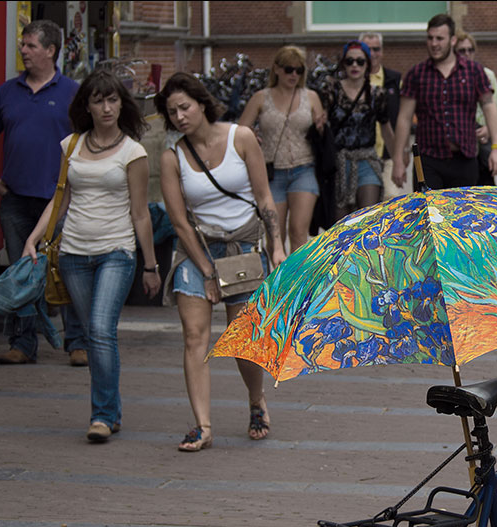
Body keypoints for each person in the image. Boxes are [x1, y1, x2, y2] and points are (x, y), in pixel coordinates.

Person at [21, 69, 161, 443]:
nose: (106, 107)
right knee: (93, 336)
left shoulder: (134, 151)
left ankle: (101, 415)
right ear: (87, 105)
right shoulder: (71, 145)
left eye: (113, 99)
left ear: (122, 104)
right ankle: (111, 409)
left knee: (99, 331)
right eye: (98, 100)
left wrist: (150, 265)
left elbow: (140, 213)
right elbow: (59, 198)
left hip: (117, 251)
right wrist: (33, 238)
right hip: (73, 254)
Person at [156, 73, 287, 452]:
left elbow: (264, 198)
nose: (180, 116)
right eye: (172, 112)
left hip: (243, 249)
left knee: (242, 339)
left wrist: (277, 245)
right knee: (194, 337)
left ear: (201, 103)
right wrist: (208, 272)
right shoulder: (172, 157)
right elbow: (179, 222)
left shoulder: (240, 138)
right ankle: (203, 425)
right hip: (197, 251)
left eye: (185, 107)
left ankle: (255, 399)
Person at [0, 19, 88, 367]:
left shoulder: (72, 92)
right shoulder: (7, 92)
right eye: (23, 45)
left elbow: (87, 142)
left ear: (50, 50)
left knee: (66, 270)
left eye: (30, 46)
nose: (23, 51)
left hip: (59, 200)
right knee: (20, 271)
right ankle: (22, 344)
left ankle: (77, 343)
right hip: (15, 199)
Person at [392, 14, 497, 191]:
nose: (434, 43)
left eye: (439, 38)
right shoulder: (416, 74)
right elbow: (404, 119)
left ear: (452, 40)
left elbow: (490, 107)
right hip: (428, 160)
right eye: (430, 38)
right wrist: (398, 160)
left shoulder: (473, 71)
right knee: (429, 216)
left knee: (464, 217)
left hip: (465, 158)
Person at [239, 46, 326, 252]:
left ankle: (300, 281)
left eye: (299, 70)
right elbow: (240, 131)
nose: (294, 75)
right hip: (271, 173)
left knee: (298, 233)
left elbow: (321, 135)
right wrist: (253, 137)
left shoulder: (311, 96)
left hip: (303, 168)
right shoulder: (261, 97)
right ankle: (281, 280)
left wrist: (321, 128)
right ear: (276, 69)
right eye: (289, 69)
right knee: (275, 237)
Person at [323, 40, 396, 222]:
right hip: (339, 161)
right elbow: (321, 122)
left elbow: (386, 129)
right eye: (350, 61)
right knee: (341, 226)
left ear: (368, 65)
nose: (355, 65)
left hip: (366, 160)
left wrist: (398, 163)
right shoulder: (332, 90)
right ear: (343, 64)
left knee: (367, 220)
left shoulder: (376, 94)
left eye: (360, 61)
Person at [454, 30, 497, 186]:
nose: (467, 54)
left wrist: (487, 129)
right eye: (462, 50)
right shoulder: (448, 77)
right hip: (461, 145)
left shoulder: (486, 74)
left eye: (470, 50)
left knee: (484, 191)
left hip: (482, 143)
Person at [359, 31, 405, 201]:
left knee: (391, 198)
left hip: (389, 153)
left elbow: (403, 117)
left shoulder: (394, 80)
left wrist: (403, 151)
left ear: (382, 51)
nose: (372, 54)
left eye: (376, 49)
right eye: (367, 49)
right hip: (362, 155)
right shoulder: (352, 78)